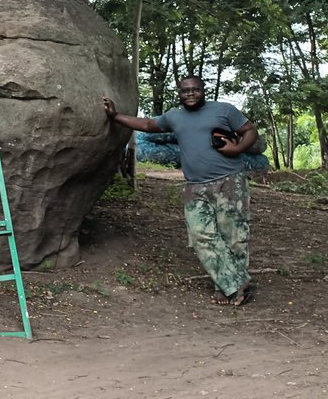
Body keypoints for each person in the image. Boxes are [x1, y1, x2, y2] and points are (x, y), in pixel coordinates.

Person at [102, 76, 260, 306]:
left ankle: (228, 287)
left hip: (230, 181)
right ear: (179, 92)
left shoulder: (224, 110)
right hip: (195, 186)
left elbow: (250, 131)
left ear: (203, 90)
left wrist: (238, 148)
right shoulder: (174, 116)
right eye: (185, 91)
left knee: (233, 237)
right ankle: (235, 284)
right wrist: (115, 116)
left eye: (195, 89)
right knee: (200, 236)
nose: (190, 94)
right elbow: (147, 125)